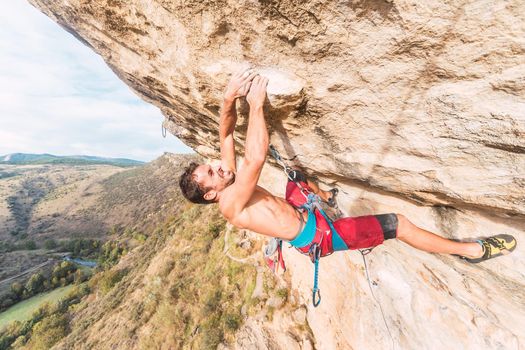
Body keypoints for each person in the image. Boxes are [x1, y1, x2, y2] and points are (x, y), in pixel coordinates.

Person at [179, 68, 516, 263]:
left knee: (296, 177)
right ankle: (471, 251)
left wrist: (228, 98)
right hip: (319, 236)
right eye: (211, 173)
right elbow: (255, 157)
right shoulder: (231, 203)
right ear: (211, 196)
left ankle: (326, 198)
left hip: (303, 212)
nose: (217, 166)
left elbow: (225, 136)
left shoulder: (226, 180)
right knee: (398, 224)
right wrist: (255, 105)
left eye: (211, 166)